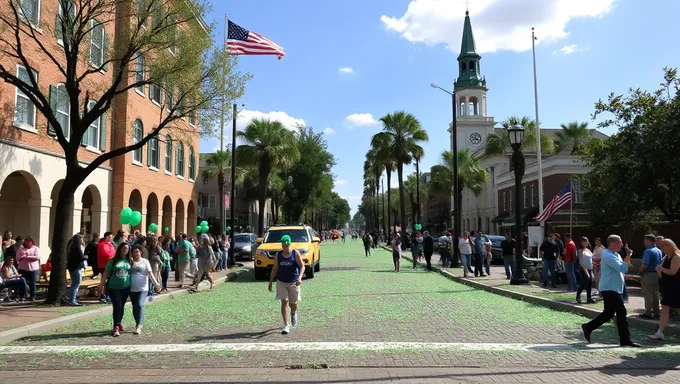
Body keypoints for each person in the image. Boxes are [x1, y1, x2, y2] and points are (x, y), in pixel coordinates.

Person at [581, 235, 640, 347]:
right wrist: (628, 255)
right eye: (619, 242)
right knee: (621, 312)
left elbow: (618, 270)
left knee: (608, 313)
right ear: (611, 243)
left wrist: (625, 276)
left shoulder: (616, 255)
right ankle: (625, 340)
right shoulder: (607, 255)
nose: (621, 245)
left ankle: (588, 327)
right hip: (610, 288)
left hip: (613, 288)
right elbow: (622, 267)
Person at [268, 235, 304, 335]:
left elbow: (302, 266)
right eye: (284, 246)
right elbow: (275, 268)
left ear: (290, 245)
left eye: (287, 246)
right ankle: (286, 324)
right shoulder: (278, 255)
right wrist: (270, 281)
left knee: (294, 304)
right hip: (281, 282)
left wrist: (300, 277)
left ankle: (293, 313)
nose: (285, 248)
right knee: (284, 302)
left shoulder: (295, 253)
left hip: (293, 282)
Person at [648, 238, 680, 341]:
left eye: (663, 247)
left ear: (669, 246)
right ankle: (660, 332)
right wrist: (659, 270)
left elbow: (673, 272)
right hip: (667, 287)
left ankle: (660, 332)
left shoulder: (676, 257)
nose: (662, 249)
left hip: (675, 288)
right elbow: (662, 272)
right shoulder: (666, 257)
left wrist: (661, 269)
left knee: (677, 308)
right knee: (665, 308)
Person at [100, 243, 132, 337]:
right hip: (114, 287)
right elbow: (106, 272)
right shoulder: (113, 260)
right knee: (117, 305)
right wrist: (101, 284)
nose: (125, 250)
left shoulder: (129, 260)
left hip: (126, 287)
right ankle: (116, 326)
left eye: (127, 248)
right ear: (120, 249)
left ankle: (119, 322)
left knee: (121, 306)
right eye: (124, 248)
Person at [129, 244, 161, 335]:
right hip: (132, 288)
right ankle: (137, 322)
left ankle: (139, 325)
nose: (136, 253)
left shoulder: (145, 261)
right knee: (135, 306)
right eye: (134, 252)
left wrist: (156, 283)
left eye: (137, 252)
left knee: (140, 304)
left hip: (143, 287)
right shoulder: (130, 262)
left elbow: (150, 273)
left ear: (141, 252)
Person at [639, 234, 662, 319]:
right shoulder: (659, 251)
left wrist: (640, 272)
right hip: (657, 274)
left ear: (649, 240)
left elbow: (645, 264)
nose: (644, 242)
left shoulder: (648, 251)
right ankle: (656, 312)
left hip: (648, 274)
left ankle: (648, 312)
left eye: (645, 240)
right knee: (656, 293)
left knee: (648, 293)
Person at [64, 234, 87, 306]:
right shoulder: (76, 249)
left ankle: (68, 297)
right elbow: (78, 258)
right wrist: (85, 257)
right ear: (78, 240)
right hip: (76, 268)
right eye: (81, 239)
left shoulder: (72, 248)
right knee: (76, 284)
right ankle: (71, 299)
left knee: (75, 284)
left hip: (73, 268)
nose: (82, 240)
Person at [16, 236, 40, 301]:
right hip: (23, 269)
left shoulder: (36, 248)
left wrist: (28, 257)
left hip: (33, 269)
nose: (28, 244)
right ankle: (22, 296)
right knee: (22, 282)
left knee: (32, 283)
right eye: (26, 242)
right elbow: (17, 258)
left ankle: (32, 296)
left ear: (32, 242)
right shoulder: (21, 249)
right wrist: (22, 257)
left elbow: (37, 257)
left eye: (29, 242)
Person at [97, 232, 116, 303]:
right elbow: (105, 254)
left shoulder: (110, 244)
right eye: (111, 237)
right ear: (107, 237)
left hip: (110, 265)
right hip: (103, 265)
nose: (112, 238)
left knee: (109, 280)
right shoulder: (101, 245)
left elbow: (115, 252)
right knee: (106, 280)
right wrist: (112, 255)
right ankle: (104, 295)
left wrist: (112, 255)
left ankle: (106, 295)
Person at [576, 237, 595, 304]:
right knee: (584, 283)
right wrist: (585, 271)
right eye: (585, 241)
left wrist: (594, 264)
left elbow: (591, 259)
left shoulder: (588, 250)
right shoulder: (580, 251)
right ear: (581, 242)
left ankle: (589, 298)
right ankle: (578, 296)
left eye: (587, 241)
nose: (586, 243)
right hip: (584, 269)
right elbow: (581, 262)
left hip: (590, 268)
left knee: (590, 283)